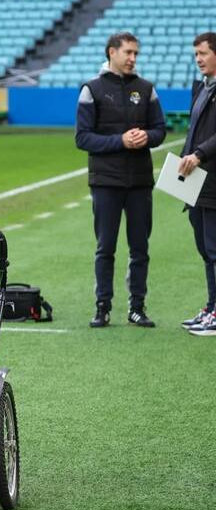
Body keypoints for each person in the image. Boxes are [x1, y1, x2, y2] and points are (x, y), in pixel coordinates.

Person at [75, 32, 166, 329]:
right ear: (112, 52)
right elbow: (83, 138)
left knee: (140, 248)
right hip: (106, 182)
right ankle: (103, 307)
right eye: (128, 52)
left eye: (136, 53)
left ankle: (137, 307)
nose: (133, 58)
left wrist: (147, 137)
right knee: (106, 248)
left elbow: (160, 131)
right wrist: (121, 141)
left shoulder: (146, 89)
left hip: (140, 181)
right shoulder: (92, 89)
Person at [177, 32, 216, 335]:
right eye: (196, 55)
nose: (199, 59)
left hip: (213, 180)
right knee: (205, 249)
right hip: (197, 182)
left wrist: (200, 154)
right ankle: (212, 306)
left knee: (215, 249)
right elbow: (193, 134)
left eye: (203, 53)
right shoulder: (202, 88)